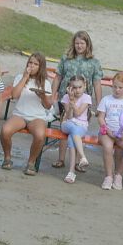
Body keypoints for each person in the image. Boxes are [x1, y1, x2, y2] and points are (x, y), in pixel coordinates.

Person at [50, 30, 103, 169]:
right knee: (65, 127)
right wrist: (53, 94)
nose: (79, 46)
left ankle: (79, 161)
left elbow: (97, 83)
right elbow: (58, 77)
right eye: (77, 43)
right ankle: (61, 159)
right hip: (66, 98)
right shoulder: (66, 58)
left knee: (79, 128)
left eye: (82, 43)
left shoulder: (94, 62)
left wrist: (99, 104)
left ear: (87, 44)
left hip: (84, 102)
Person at [0, 52, 54, 176]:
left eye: (36, 64)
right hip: (20, 114)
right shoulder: (20, 77)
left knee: (40, 135)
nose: (32, 66)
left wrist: (43, 96)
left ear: (41, 67)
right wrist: (25, 77)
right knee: (5, 130)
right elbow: (14, 95)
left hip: (37, 116)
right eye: (30, 63)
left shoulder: (45, 82)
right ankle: (7, 158)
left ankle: (31, 162)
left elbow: (48, 105)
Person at [96, 72, 123, 191]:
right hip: (107, 132)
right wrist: (106, 129)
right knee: (108, 147)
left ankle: (118, 174)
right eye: (115, 86)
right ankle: (108, 176)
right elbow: (100, 117)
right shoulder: (106, 99)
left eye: (120, 87)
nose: (117, 90)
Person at [58, 75, 92, 184]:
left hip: (81, 126)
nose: (77, 90)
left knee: (72, 137)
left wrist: (72, 101)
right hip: (67, 124)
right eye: (74, 87)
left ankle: (71, 172)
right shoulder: (66, 97)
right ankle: (82, 156)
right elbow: (70, 116)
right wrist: (71, 99)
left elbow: (78, 114)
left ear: (85, 86)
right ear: (70, 87)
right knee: (73, 127)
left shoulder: (87, 98)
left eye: (80, 87)